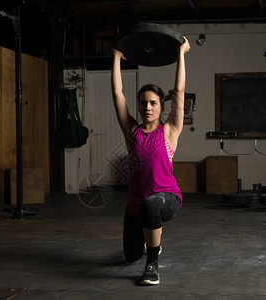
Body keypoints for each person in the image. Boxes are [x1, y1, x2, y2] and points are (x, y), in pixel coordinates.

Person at [111, 37, 190, 285]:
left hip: (167, 198)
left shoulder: (169, 131)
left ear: (161, 107)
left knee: (152, 203)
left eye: (153, 103)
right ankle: (148, 243)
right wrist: (115, 56)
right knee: (130, 255)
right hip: (135, 205)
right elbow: (117, 92)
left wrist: (181, 53)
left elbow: (179, 91)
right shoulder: (131, 132)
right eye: (144, 103)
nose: (148, 107)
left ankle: (152, 266)